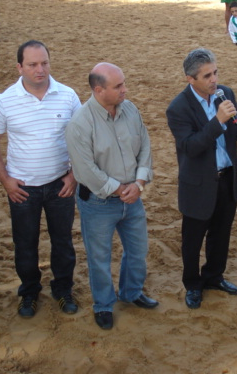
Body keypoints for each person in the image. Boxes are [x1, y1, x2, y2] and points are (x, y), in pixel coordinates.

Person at [166, 48, 237, 309]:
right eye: (207, 76)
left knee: (221, 233)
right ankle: (193, 285)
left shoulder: (224, 94)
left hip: (227, 179)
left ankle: (214, 276)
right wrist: (217, 121)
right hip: (198, 185)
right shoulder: (178, 108)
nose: (214, 80)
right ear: (190, 79)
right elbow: (191, 147)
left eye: (215, 72)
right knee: (193, 241)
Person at [0, 40, 81, 319]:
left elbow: (83, 138)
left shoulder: (68, 96)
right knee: (25, 243)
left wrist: (73, 175)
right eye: (33, 64)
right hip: (22, 189)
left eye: (44, 63)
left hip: (59, 185)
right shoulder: (5, 101)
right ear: (19, 67)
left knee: (62, 241)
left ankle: (63, 290)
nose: (40, 70)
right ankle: (28, 292)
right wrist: (6, 181)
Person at [65, 63, 157, 330]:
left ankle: (131, 293)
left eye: (124, 83)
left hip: (133, 196)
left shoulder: (130, 110)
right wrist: (121, 190)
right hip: (98, 203)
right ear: (98, 89)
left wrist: (138, 183)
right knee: (99, 258)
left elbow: (146, 146)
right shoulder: (80, 124)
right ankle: (104, 304)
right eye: (118, 87)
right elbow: (86, 171)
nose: (125, 90)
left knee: (138, 251)